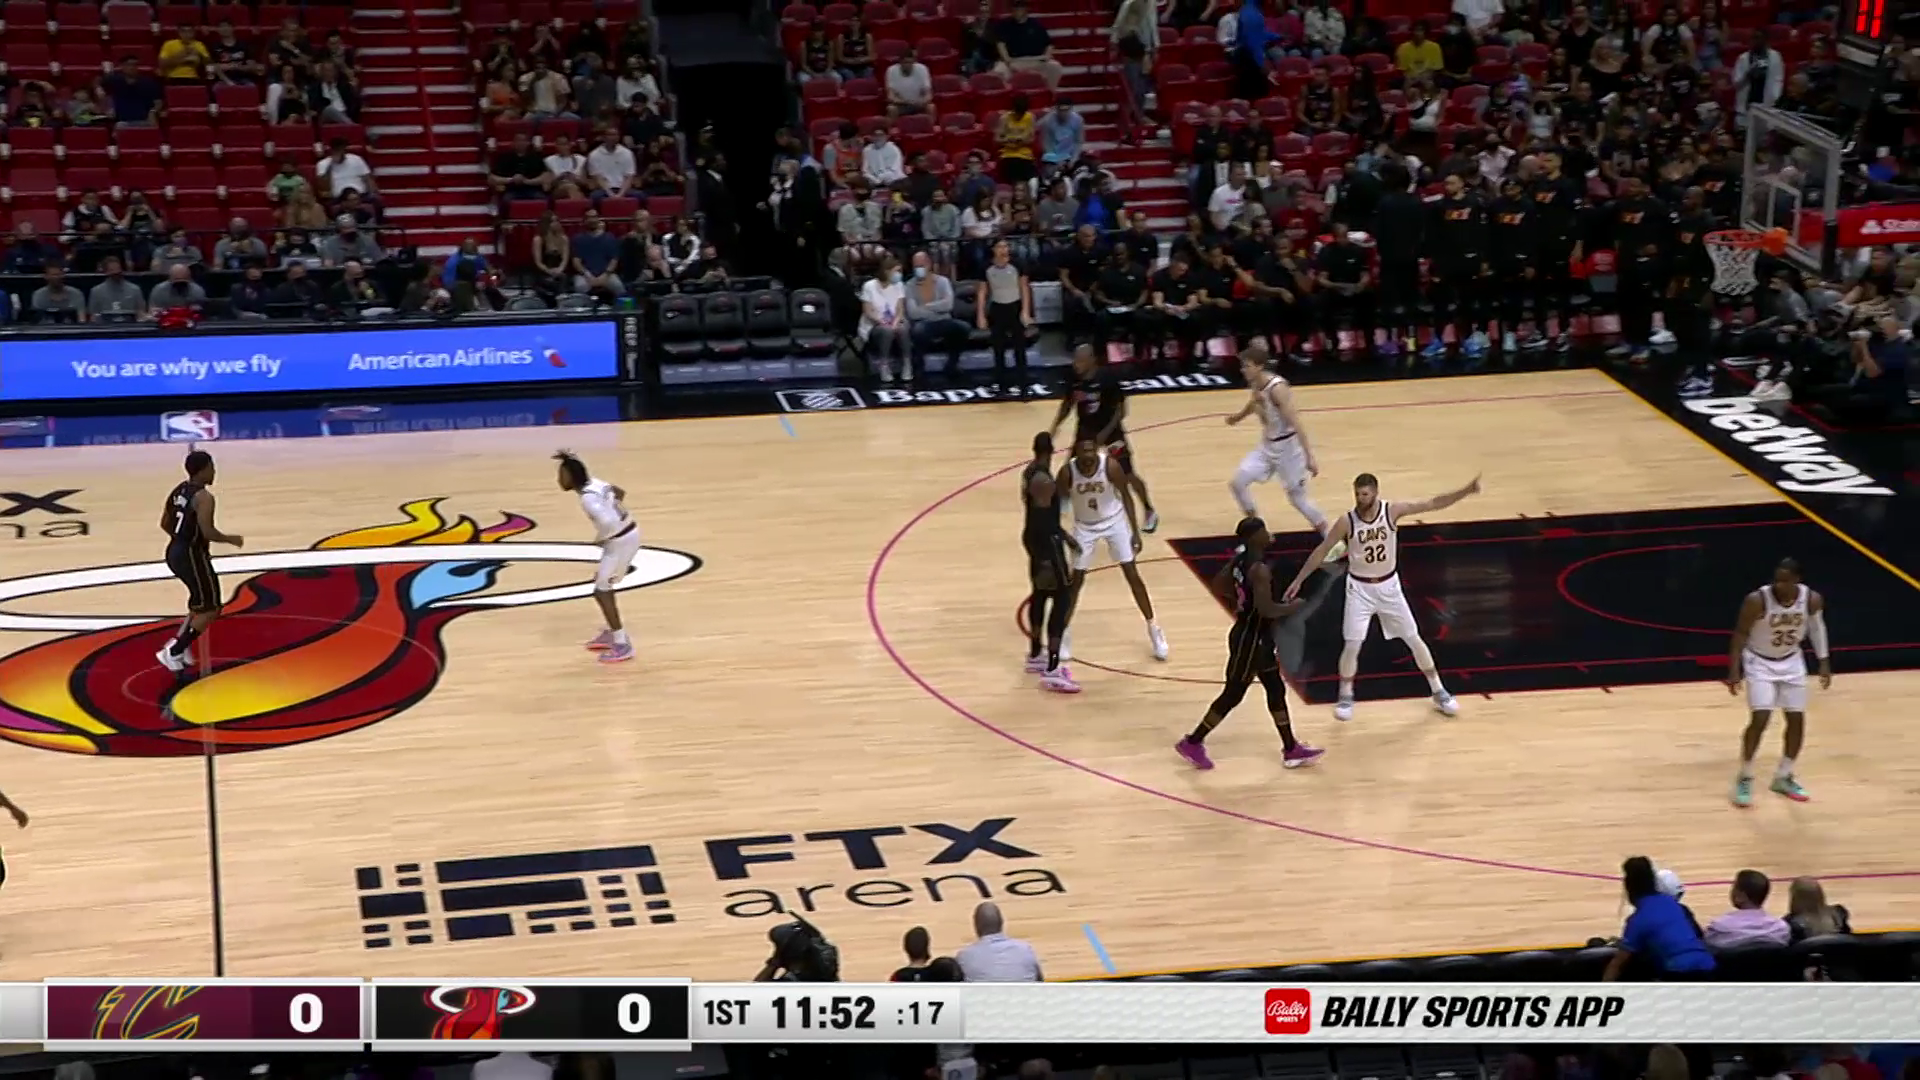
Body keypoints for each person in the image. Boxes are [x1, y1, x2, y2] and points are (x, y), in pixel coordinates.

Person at [1283, 472, 1478, 722]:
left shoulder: (1392, 511)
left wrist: (1465, 490)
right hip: (1359, 589)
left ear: (1375, 492)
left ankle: (1438, 691)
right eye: (1357, 494)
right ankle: (1345, 695)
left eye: (1364, 494)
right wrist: (1299, 580)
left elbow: (1432, 503)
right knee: (1352, 644)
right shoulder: (1347, 521)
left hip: (1389, 587)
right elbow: (1322, 551)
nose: (1360, 498)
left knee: (1413, 639)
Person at [1175, 515, 1325, 771]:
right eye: (1263, 530)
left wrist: (1241, 601)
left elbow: (1219, 585)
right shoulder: (1259, 570)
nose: (1268, 533)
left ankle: (1291, 748)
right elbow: (1267, 610)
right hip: (1251, 639)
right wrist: (1293, 607)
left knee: (1275, 689)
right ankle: (1193, 741)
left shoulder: (1240, 561)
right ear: (1255, 537)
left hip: (1254, 636)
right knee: (1233, 694)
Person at [1726, 558, 1829, 806]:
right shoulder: (1757, 600)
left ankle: (1784, 776)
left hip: (1791, 661)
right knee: (1760, 718)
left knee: (1796, 719)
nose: (1779, 584)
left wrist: (1824, 661)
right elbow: (1740, 634)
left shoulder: (1811, 599)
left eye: (1785, 580)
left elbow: (1817, 629)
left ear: (1797, 580)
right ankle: (1745, 775)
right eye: (1777, 579)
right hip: (1759, 661)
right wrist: (1734, 669)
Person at [1060, 438, 1167, 661]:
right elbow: (1057, 504)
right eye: (1084, 451)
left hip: (1114, 521)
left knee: (1132, 575)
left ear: (1095, 451)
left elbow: (1126, 496)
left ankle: (1154, 629)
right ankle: (1063, 633)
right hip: (1084, 526)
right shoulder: (1067, 473)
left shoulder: (1110, 466)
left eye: (1091, 450)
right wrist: (1064, 534)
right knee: (1075, 581)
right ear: (1077, 453)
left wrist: (1135, 531)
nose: (1088, 455)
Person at [1225, 345, 1337, 546]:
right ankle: (1258, 532)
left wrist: (1309, 457)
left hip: (1288, 449)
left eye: (1247, 366)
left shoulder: (1277, 389)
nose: (1243, 369)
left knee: (1297, 499)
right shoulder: (1256, 383)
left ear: (1259, 366)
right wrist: (1237, 417)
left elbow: (1296, 422)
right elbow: (1254, 402)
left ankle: (1330, 537)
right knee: (1237, 483)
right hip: (1267, 446)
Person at [1051, 345, 1161, 533]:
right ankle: (1065, 500)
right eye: (1075, 360)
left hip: (1112, 433)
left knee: (1127, 474)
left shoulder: (1107, 378)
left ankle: (1149, 510)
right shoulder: (1074, 379)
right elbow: (1067, 404)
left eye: (1081, 360)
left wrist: (1105, 433)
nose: (1076, 364)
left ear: (1092, 360)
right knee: (1069, 469)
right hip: (1086, 431)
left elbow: (1121, 411)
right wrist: (1055, 426)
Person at [155, 450, 244, 674]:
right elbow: (208, 531)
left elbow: (164, 523)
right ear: (202, 470)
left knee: (199, 601)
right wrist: (230, 539)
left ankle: (180, 643)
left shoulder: (179, 490)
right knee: (211, 608)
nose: (214, 471)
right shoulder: (204, 497)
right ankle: (174, 650)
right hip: (191, 555)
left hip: (174, 551)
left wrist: (181, 538)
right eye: (211, 467)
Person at [555, 451, 639, 665]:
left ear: (572, 477)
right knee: (602, 584)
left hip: (620, 542)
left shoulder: (588, 499)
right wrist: (616, 512)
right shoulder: (595, 483)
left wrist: (600, 538)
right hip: (626, 534)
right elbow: (620, 492)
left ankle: (622, 644)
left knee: (602, 591)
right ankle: (612, 632)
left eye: (562, 475)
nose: (559, 480)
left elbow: (607, 523)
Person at [1019, 432, 1079, 693]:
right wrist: (1058, 542)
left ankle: (1035, 654)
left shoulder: (1030, 472)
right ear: (1051, 451)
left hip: (1036, 539)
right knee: (1062, 599)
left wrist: (1065, 537)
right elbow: (1045, 521)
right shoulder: (1043, 480)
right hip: (1046, 544)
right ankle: (1053, 669)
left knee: (1041, 594)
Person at [1603, 856, 1717, 980]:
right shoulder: (1675, 904)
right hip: (1708, 966)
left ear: (1629, 888)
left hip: (1678, 972)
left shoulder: (1637, 920)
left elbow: (1618, 964)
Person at [980, 240, 1034, 389]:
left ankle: (1022, 378)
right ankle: (1000, 378)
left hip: (1015, 307)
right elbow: (982, 292)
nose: (1003, 249)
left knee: (1019, 346)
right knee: (998, 346)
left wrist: (1025, 311)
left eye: (1006, 246)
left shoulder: (1018, 264)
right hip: (997, 308)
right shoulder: (986, 267)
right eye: (1000, 247)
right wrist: (981, 315)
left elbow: (1024, 288)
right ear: (993, 249)